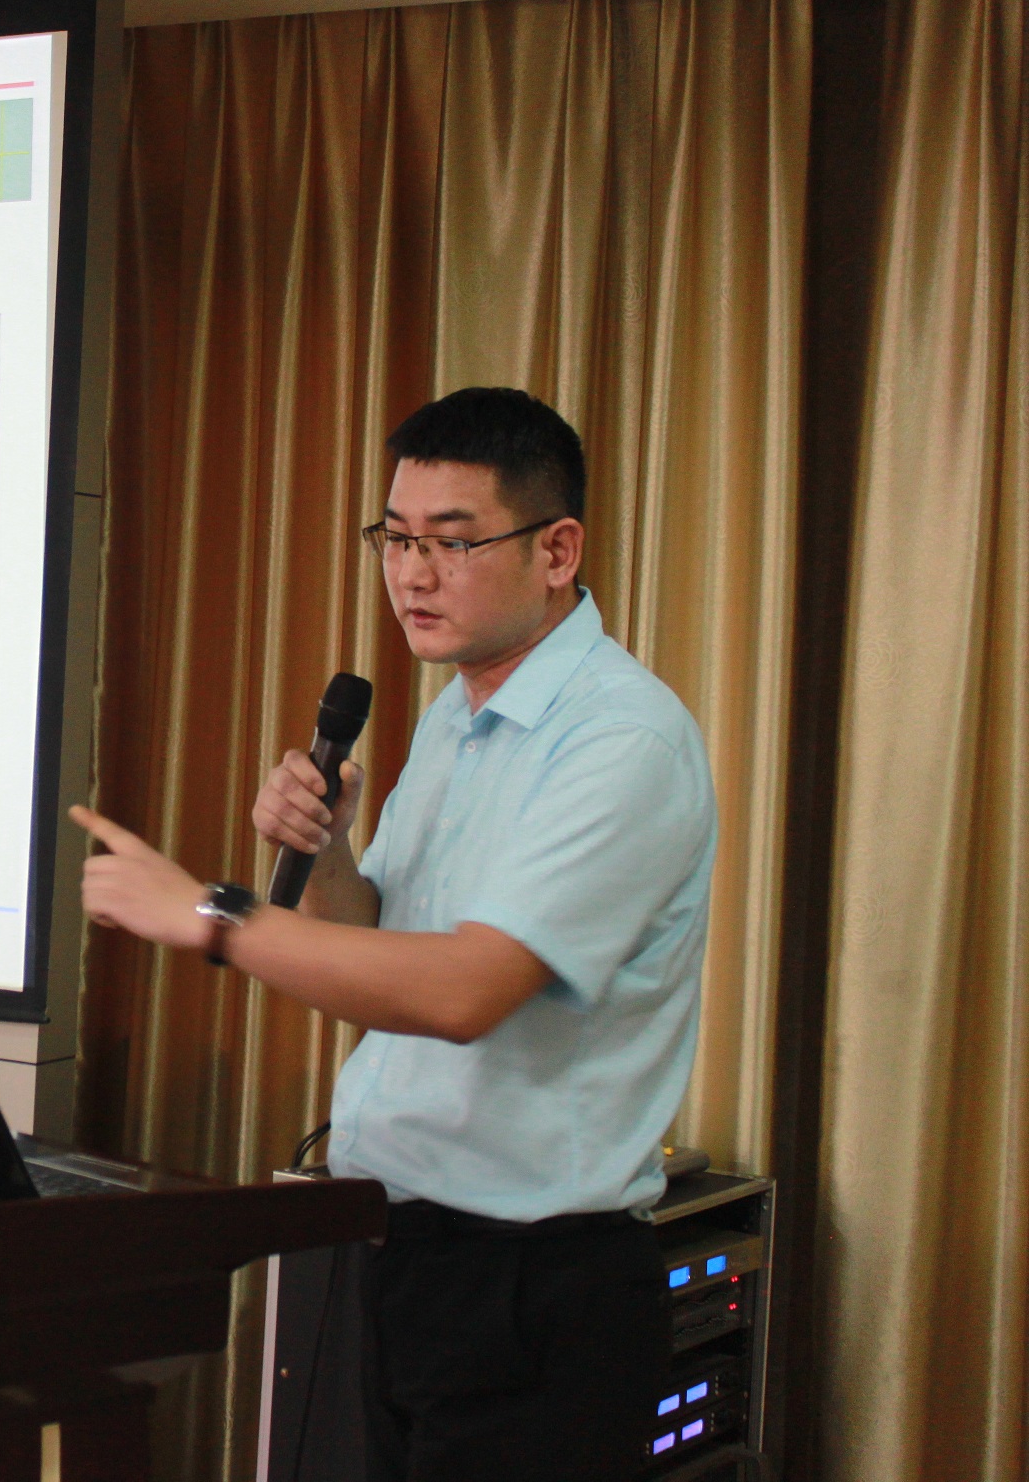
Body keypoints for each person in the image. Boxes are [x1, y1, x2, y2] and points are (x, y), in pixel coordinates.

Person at [71, 386, 715, 1482]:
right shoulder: (459, 716)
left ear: (557, 550)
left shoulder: (622, 741)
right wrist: (326, 854)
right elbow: (385, 940)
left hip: (535, 1288)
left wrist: (210, 916)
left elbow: (462, 992)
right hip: (410, 1252)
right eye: (397, 538)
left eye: (453, 542)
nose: (413, 575)